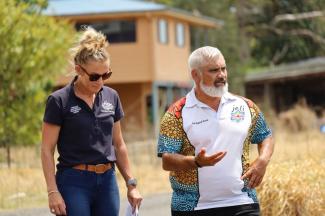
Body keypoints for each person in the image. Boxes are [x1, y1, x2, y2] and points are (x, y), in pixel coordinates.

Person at [157, 46, 274, 216]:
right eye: (213, 70)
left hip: (243, 201)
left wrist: (263, 160)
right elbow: (167, 160)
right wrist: (196, 162)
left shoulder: (245, 106)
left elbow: (266, 136)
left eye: (223, 68)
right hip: (192, 207)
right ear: (195, 75)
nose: (222, 75)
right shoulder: (176, 113)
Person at [41, 27, 142, 216]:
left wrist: (131, 184)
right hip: (73, 182)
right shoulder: (59, 100)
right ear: (79, 70)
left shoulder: (112, 97)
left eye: (106, 75)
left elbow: (118, 145)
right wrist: (52, 191)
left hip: (107, 181)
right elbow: (47, 149)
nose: (101, 81)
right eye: (95, 76)